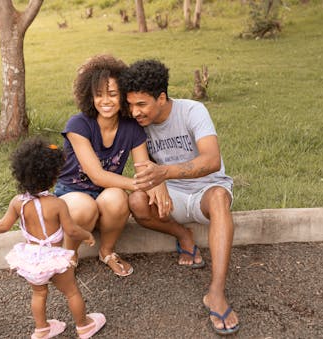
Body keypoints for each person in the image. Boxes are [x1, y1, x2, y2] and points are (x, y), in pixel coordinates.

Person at [119, 59, 240, 335]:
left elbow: (211, 160)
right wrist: (155, 181)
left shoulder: (192, 111)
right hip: (172, 195)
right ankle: (183, 236)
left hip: (205, 191)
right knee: (136, 201)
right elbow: (144, 166)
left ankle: (216, 292)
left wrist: (164, 173)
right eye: (131, 105)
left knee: (220, 198)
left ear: (161, 97)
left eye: (141, 104)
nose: (135, 112)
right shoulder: (137, 125)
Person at [54, 54, 171, 277]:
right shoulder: (78, 124)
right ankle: (69, 254)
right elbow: (97, 175)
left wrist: (156, 181)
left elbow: (143, 166)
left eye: (113, 94)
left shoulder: (132, 128)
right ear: (89, 96)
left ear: (123, 96)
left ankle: (106, 251)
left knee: (118, 197)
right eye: (98, 95)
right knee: (84, 206)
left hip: (105, 194)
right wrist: (142, 184)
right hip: (72, 194)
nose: (105, 101)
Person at [0, 137, 105, 339]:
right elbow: (72, 230)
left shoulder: (18, 203)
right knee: (71, 292)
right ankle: (83, 325)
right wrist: (87, 235)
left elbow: (4, 225)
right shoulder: (56, 204)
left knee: (39, 293)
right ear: (53, 177)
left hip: (32, 259)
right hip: (53, 257)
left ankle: (42, 329)